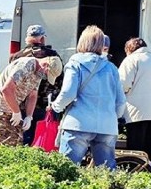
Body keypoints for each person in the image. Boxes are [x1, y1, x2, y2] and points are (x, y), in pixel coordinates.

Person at [51, 25, 126, 169]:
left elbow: (68, 93)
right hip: (107, 126)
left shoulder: (75, 64)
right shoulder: (111, 68)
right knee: (106, 173)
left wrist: (56, 106)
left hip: (78, 124)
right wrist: (112, 116)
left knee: (68, 170)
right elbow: (121, 101)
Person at [9, 24, 64, 145]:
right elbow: (61, 81)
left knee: (23, 140)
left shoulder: (17, 56)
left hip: (22, 106)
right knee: (44, 142)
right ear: (43, 38)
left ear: (27, 38)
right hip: (46, 106)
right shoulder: (53, 56)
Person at [0, 56, 61, 146]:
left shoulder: (39, 73)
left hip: (14, 110)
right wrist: (16, 112)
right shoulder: (25, 66)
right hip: (1, 109)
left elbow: (33, 95)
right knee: (5, 146)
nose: (46, 76)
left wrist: (29, 116)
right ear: (45, 65)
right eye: (47, 73)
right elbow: (6, 90)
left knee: (17, 144)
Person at [118, 37, 151, 164]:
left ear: (129, 49)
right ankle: (150, 171)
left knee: (136, 149)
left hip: (138, 110)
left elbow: (123, 84)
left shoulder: (131, 59)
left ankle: (135, 172)